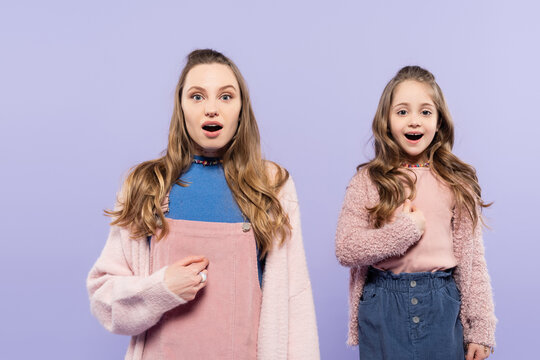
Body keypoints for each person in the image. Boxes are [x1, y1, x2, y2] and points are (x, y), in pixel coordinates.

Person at [87, 49, 319, 360]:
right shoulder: (148, 184)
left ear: (241, 109)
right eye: (197, 97)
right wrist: (161, 288)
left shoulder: (272, 186)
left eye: (226, 97)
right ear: (180, 108)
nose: (211, 109)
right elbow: (104, 298)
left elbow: (295, 303)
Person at [335, 66, 496, 360]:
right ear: (386, 121)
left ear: (439, 121)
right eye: (402, 112)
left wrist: (480, 330)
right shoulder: (367, 182)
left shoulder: (455, 182)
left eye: (425, 112)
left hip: (441, 303)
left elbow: (473, 263)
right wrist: (403, 232)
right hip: (383, 304)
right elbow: (345, 248)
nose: (414, 121)